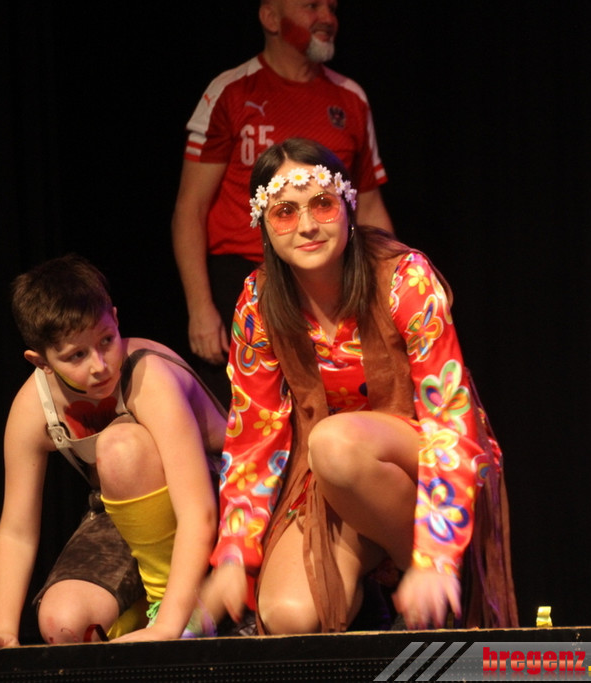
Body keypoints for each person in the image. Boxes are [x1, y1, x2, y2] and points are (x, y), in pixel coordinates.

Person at [197, 138, 515, 635]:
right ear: (264, 225)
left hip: (427, 461)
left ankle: (425, 578)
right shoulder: (257, 303)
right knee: (287, 616)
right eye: (285, 212)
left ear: (348, 206)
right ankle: (379, 601)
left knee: (334, 443)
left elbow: (449, 419)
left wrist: (435, 554)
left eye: (322, 204)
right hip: (332, 476)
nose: (307, 225)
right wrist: (236, 552)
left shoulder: (405, 278)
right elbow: (254, 434)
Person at [0, 254, 225, 647]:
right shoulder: (33, 409)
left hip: (219, 497)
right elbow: (17, 530)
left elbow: (197, 511)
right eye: (77, 356)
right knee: (63, 623)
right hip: (132, 515)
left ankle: (180, 610)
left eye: (106, 341)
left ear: (115, 320)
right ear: (41, 362)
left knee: (121, 447)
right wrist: (2, 628)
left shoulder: (148, 377)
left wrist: (169, 626)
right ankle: (141, 619)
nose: (99, 365)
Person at [172, 0, 394, 407]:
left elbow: (369, 206)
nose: (327, 18)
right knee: (250, 414)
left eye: (332, 8)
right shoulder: (231, 91)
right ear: (270, 17)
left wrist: (391, 287)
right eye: (312, 6)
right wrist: (200, 308)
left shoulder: (350, 98)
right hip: (241, 280)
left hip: (330, 282)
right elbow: (191, 209)